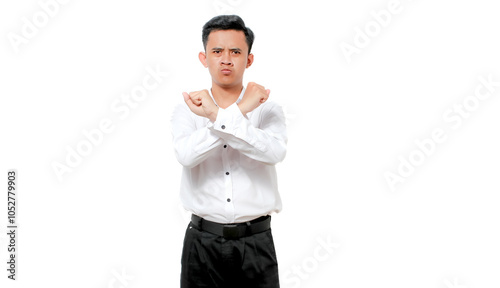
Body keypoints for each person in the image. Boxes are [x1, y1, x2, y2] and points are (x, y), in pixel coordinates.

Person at [171, 14, 287, 287]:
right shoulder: (187, 109)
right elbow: (186, 156)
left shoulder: (268, 109)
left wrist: (218, 116)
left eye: (235, 51)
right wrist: (239, 111)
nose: (226, 59)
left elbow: (274, 153)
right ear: (204, 58)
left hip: (256, 242)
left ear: (249, 59)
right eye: (217, 51)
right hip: (201, 242)